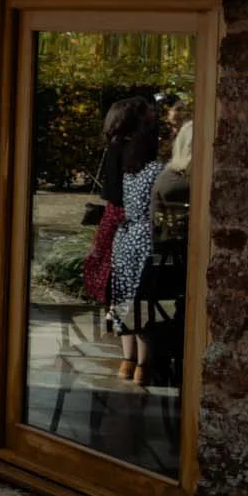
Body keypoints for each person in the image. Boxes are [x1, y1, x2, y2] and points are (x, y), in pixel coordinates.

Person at [106, 102, 170, 383]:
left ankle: (126, 362)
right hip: (145, 237)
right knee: (143, 298)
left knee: (123, 299)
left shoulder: (129, 170)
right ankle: (144, 366)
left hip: (124, 237)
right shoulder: (159, 170)